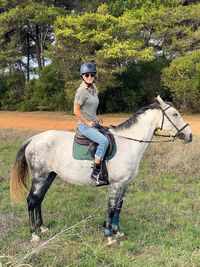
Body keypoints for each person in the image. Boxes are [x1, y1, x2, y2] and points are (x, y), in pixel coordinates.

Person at [73, 62, 109, 186]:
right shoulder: (81, 91)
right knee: (104, 141)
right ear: (82, 76)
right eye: (87, 75)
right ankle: (95, 173)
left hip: (92, 123)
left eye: (92, 75)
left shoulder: (93, 90)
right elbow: (76, 111)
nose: (90, 77)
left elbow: (89, 110)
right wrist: (88, 122)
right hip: (84, 126)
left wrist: (95, 119)